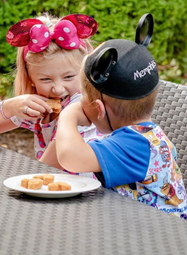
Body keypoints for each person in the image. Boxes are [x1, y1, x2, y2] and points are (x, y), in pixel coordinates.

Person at [44, 30, 187, 218]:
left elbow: (69, 157)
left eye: (82, 97)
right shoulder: (136, 137)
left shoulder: (137, 146)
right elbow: (46, 166)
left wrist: (68, 115)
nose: (78, 103)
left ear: (99, 110)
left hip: (160, 240)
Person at [0, 13, 105, 160]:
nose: (58, 89)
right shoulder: (39, 107)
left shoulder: (85, 109)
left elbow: (52, 164)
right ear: (31, 79)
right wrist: (9, 107)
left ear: (85, 72)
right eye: (46, 79)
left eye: (68, 77)